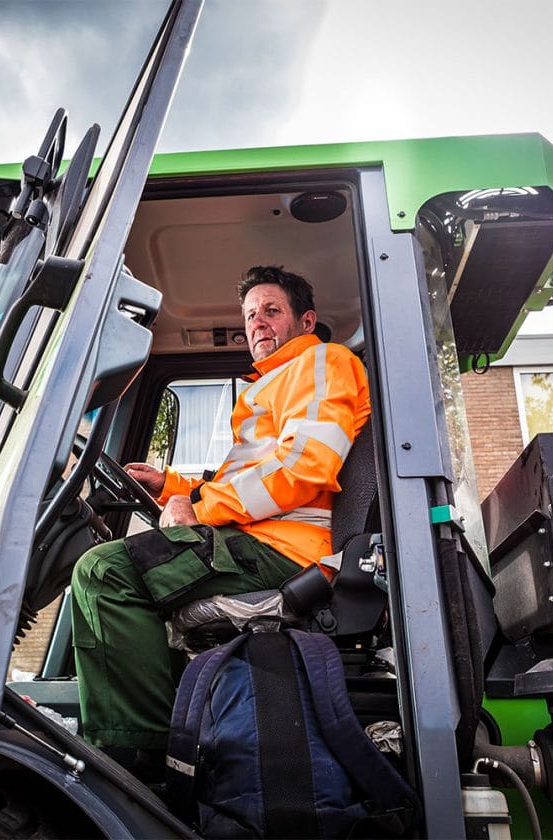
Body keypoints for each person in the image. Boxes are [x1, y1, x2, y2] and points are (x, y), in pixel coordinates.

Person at [70, 265, 370, 767]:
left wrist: (201, 510)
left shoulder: (322, 361)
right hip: (257, 543)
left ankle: (138, 763)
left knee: (105, 573)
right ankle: (177, 726)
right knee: (124, 575)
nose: (258, 323)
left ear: (306, 320)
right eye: (251, 315)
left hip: (286, 554)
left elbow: (305, 466)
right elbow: (253, 476)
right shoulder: (271, 385)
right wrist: (172, 487)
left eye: (272, 311)